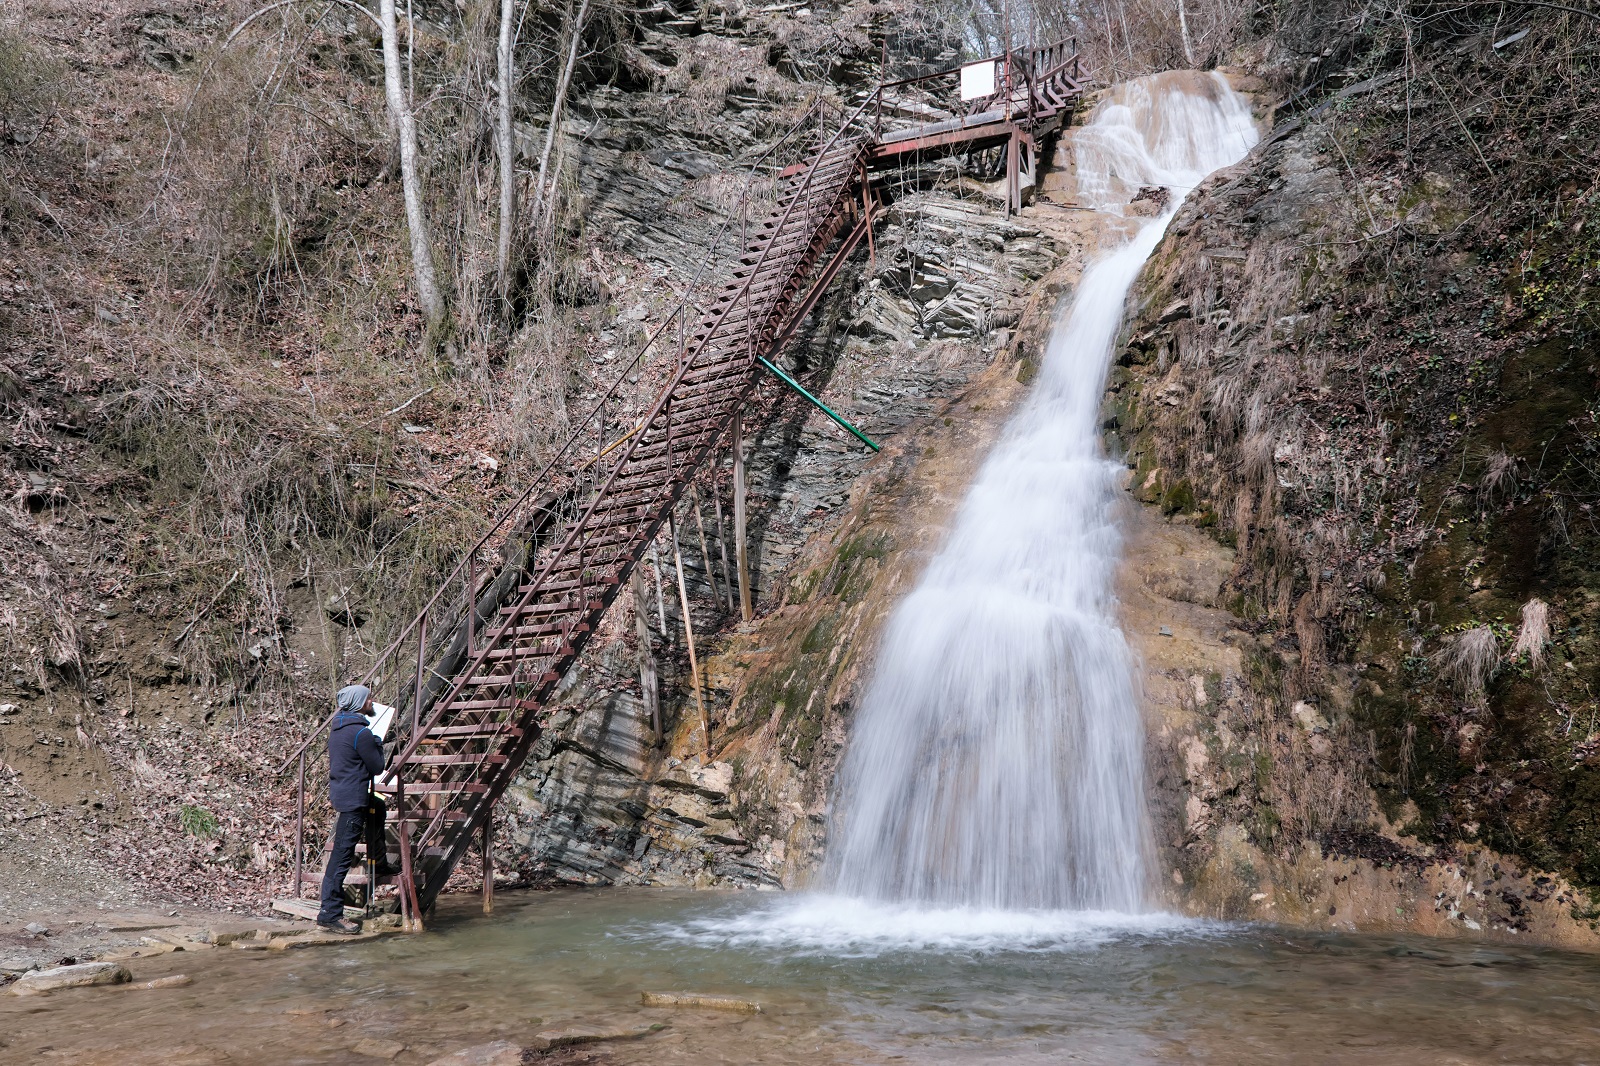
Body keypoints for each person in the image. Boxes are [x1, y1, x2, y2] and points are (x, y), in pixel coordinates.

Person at [317, 683, 390, 934]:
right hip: (353, 800)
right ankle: (330, 913)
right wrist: (378, 743)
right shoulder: (361, 733)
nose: (372, 701)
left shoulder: (338, 727)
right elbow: (377, 766)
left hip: (344, 793)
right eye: (369, 698)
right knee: (341, 857)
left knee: (378, 806)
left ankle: (379, 861)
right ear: (359, 703)